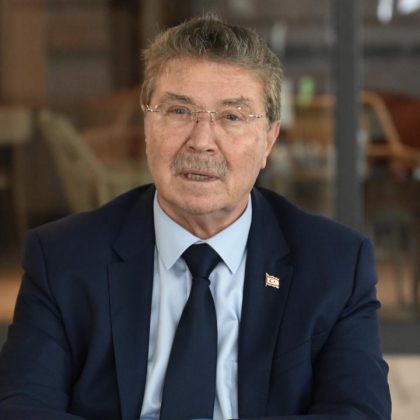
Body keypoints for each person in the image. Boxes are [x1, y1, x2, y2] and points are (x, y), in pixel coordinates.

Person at [0, 15, 391, 420]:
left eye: (232, 116)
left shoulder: (335, 264)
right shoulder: (63, 257)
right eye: (179, 111)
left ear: (269, 140)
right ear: (148, 125)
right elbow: (22, 406)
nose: (202, 141)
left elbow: (357, 411)